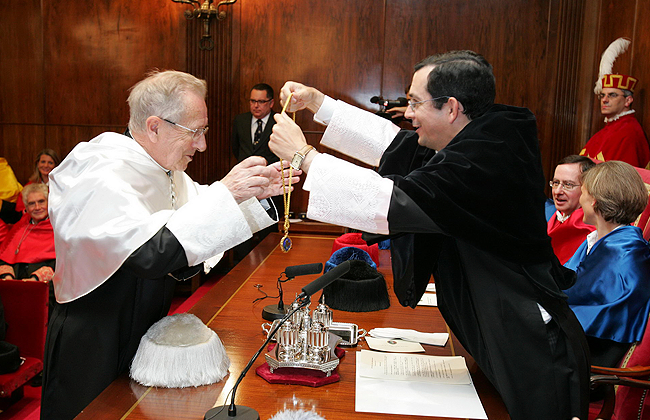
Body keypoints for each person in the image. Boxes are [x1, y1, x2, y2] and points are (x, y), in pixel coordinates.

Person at [270, 50, 589, 420]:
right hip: (503, 326)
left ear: (451, 108)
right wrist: (320, 105)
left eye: (415, 103)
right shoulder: (479, 135)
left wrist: (305, 158)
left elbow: (395, 203)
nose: (408, 113)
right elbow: (396, 146)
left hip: (532, 341)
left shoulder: (486, 160)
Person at [40, 70, 298, 420]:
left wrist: (258, 198)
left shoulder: (163, 168)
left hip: (144, 327)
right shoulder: (100, 170)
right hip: (96, 337)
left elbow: (189, 236)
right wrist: (226, 193)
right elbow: (149, 254)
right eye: (196, 132)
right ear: (155, 126)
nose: (202, 145)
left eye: (203, 131)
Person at [565, 161, 650, 368]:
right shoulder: (598, 241)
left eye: (583, 192)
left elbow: (607, 314)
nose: (580, 201)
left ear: (594, 201)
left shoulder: (625, 253)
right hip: (573, 341)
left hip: (588, 359)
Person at [580, 38, 650, 168]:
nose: (605, 100)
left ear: (628, 100)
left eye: (612, 95)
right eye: (602, 95)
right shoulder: (605, 131)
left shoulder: (629, 132)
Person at [0, 183, 55, 281]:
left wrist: (35, 279)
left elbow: (62, 263)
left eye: (41, 201)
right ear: (26, 207)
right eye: (31, 203)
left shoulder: (58, 228)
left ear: (49, 202)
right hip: (15, 282)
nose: (37, 207)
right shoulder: (20, 227)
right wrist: (7, 276)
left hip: (44, 286)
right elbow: (4, 257)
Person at [548, 155, 596, 264]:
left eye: (568, 185)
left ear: (587, 189)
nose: (557, 191)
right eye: (556, 183)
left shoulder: (592, 231)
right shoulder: (547, 213)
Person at [231, 83, 279, 164]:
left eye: (261, 101)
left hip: (270, 172)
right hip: (245, 171)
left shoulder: (279, 122)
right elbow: (235, 147)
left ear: (271, 103)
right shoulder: (240, 120)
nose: (256, 105)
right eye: (253, 101)